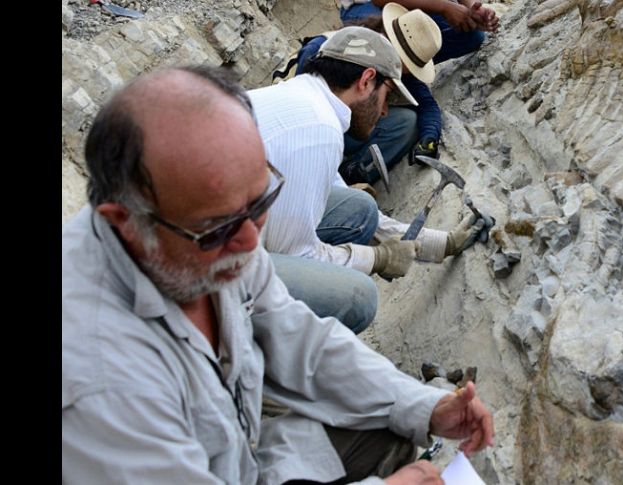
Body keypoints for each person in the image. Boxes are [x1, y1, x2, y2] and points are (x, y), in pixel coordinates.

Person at [62, 65, 495, 484]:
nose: (251, 243)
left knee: (392, 422)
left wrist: (426, 406)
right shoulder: (99, 382)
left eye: (259, 202)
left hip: (244, 456)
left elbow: (299, 336)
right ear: (125, 223)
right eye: (220, 227)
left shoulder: (206, 241)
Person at [249, 27, 486, 334]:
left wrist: (439, 245)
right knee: (357, 298)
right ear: (365, 81)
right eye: (387, 95)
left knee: (357, 207)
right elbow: (296, 255)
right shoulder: (318, 131)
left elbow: (345, 199)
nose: (386, 110)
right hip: (193, 274)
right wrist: (376, 258)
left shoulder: (305, 97)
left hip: (209, 230)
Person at [293, 5, 443, 185]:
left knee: (407, 121)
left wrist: (429, 138)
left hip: (344, 130)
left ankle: (351, 175)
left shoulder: (399, 70)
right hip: (306, 131)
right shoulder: (325, 48)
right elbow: (299, 107)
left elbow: (428, 105)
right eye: (406, 65)